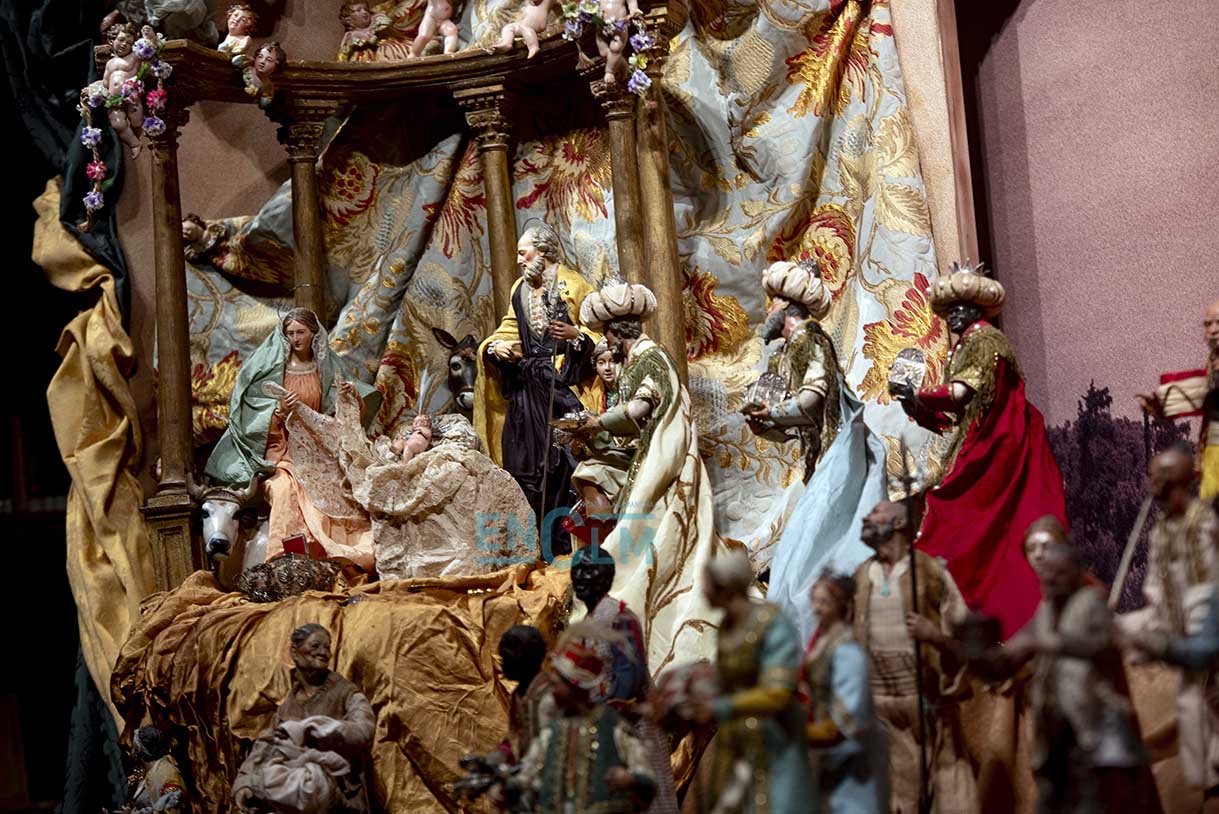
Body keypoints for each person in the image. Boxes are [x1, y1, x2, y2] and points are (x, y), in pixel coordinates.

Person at [890, 260, 1067, 639]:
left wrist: (919, 392)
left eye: (961, 308)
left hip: (997, 447)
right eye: (950, 309)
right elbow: (955, 417)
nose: (953, 316)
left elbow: (960, 393)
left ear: (977, 309)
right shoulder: (965, 345)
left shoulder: (985, 342)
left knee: (958, 514)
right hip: (978, 439)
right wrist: (914, 403)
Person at [575, 282, 725, 668]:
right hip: (648, 454)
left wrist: (597, 422)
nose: (606, 341)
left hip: (666, 462)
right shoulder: (635, 361)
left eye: (606, 333)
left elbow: (640, 408)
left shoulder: (650, 359)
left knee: (655, 530)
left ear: (616, 331)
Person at [750, 258, 890, 640]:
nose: (767, 310)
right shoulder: (788, 350)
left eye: (772, 302)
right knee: (813, 545)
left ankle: (816, 626)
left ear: (786, 306)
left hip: (836, 458)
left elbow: (812, 401)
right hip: (818, 460)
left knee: (815, 543)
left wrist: (771, 412)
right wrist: (767, 425)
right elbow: (799, 425)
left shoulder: (810, 340)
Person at [204, 308, 380, 570]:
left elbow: (341, 418)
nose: (295, 339)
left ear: (313, 334)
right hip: (282, 453)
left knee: (338, 492)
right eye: (290, 333)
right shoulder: (274, 370)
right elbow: (252, 416)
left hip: (319, 452)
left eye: (301, 332)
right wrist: (279, 411)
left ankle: (333, 560)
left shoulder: (326, 369)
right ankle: (286, 560)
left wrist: (350, 396)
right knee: (285, 490)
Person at [987, 544, 1149, 814]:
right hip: (1055, 728)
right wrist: (992, 658)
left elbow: (1101, 644)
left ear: (1075, 573)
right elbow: (1019, 649)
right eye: (1046, 572)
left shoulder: (1091, 603)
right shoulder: (1046, 610)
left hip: (1090, 724)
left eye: (1059, 572)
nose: (1050, 579)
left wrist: (1050, 644)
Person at [474, 224, 600, 552]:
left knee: (562, 462)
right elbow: (508, 330)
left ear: (543, 251)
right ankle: (530, 544)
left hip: (561, 387)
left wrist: (576, 337)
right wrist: (495, 347)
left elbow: (597, 334)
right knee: (522, 462)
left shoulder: (574, 285)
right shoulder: (520, 289)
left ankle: (567, 543)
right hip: (526, 390)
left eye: (523, 252)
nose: (519, 260)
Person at [852, 500, 977, 814]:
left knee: (946, 785)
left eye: (876, 513)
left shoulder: (930, 572)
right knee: (893, 792)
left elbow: (968, 640)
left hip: (926, 703)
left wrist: (935, 637)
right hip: (879, 707)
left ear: (898, 523)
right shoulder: (862, 576)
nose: (866, 517)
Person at [681, 548, 812, 814]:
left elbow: (779, 692)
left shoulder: (772, 624)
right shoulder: (729, 625)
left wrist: (720, 707)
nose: (703, 593)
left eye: (709, 586)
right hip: (734, 734)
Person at [1123, 448, 1219, 809]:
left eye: (1157, 477)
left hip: (1205, 619)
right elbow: (1155, 583)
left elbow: (1209, 582)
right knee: (1116, 629)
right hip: (1172, 617)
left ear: (1173, 480)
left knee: (1198, 699)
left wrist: (1190, 631)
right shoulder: (1161, 529)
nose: (1152, 483)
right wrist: (1150, 622)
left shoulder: (1204, 523)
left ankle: (1210, 776)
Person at [570, 547, 680, 813]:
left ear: (606, 577)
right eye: (577, 571)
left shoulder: (620, 619)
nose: (581, 577)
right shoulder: (588, 622)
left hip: (631, 727)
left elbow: (628, 681)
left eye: (589, 571)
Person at [505, 634, 657, 814]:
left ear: (575, 687)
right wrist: (506, 787)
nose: (552, 691)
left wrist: (631, 779)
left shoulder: (613, 727)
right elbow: (529, 773)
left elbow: (647, 777)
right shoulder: (553, 730)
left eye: (557, 685)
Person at [233, 624, 375, 814]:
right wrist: (246, 782)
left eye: (327, 647)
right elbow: (267, 744)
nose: (323, 653)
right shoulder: (289, 703)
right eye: (315, 646)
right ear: (294, 651)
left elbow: (364, 728)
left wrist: (322, 729)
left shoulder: (344, 692)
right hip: (293, 793)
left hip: (337, 795)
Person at [800, 572, 887, 814]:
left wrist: (804, 733)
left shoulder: (847, 649)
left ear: (839, 605)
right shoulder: (821, 642)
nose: (816, 608)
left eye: (824, 602)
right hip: (823, 747)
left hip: (847, 752)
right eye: (814, 601)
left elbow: (850, 716)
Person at [1139, 299, 1219, 500]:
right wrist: (1161, 408)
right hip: (1212, 453)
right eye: (1208, 324)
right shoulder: (1211, 365)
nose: (1213, 330)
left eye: (1218, 323)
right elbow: (1202, 400)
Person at [496, 625, 555, 763]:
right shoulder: (520, 693)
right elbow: (515, 738)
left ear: (523, 659)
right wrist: (501, 754)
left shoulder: (550, 695)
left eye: (506, 657)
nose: (502, 665)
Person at [122, 726, 186, 814]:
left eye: (133, 747)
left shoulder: (167, 774)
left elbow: (171, 809)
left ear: (138, 750)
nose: (131, 751)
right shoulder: (142, 773)